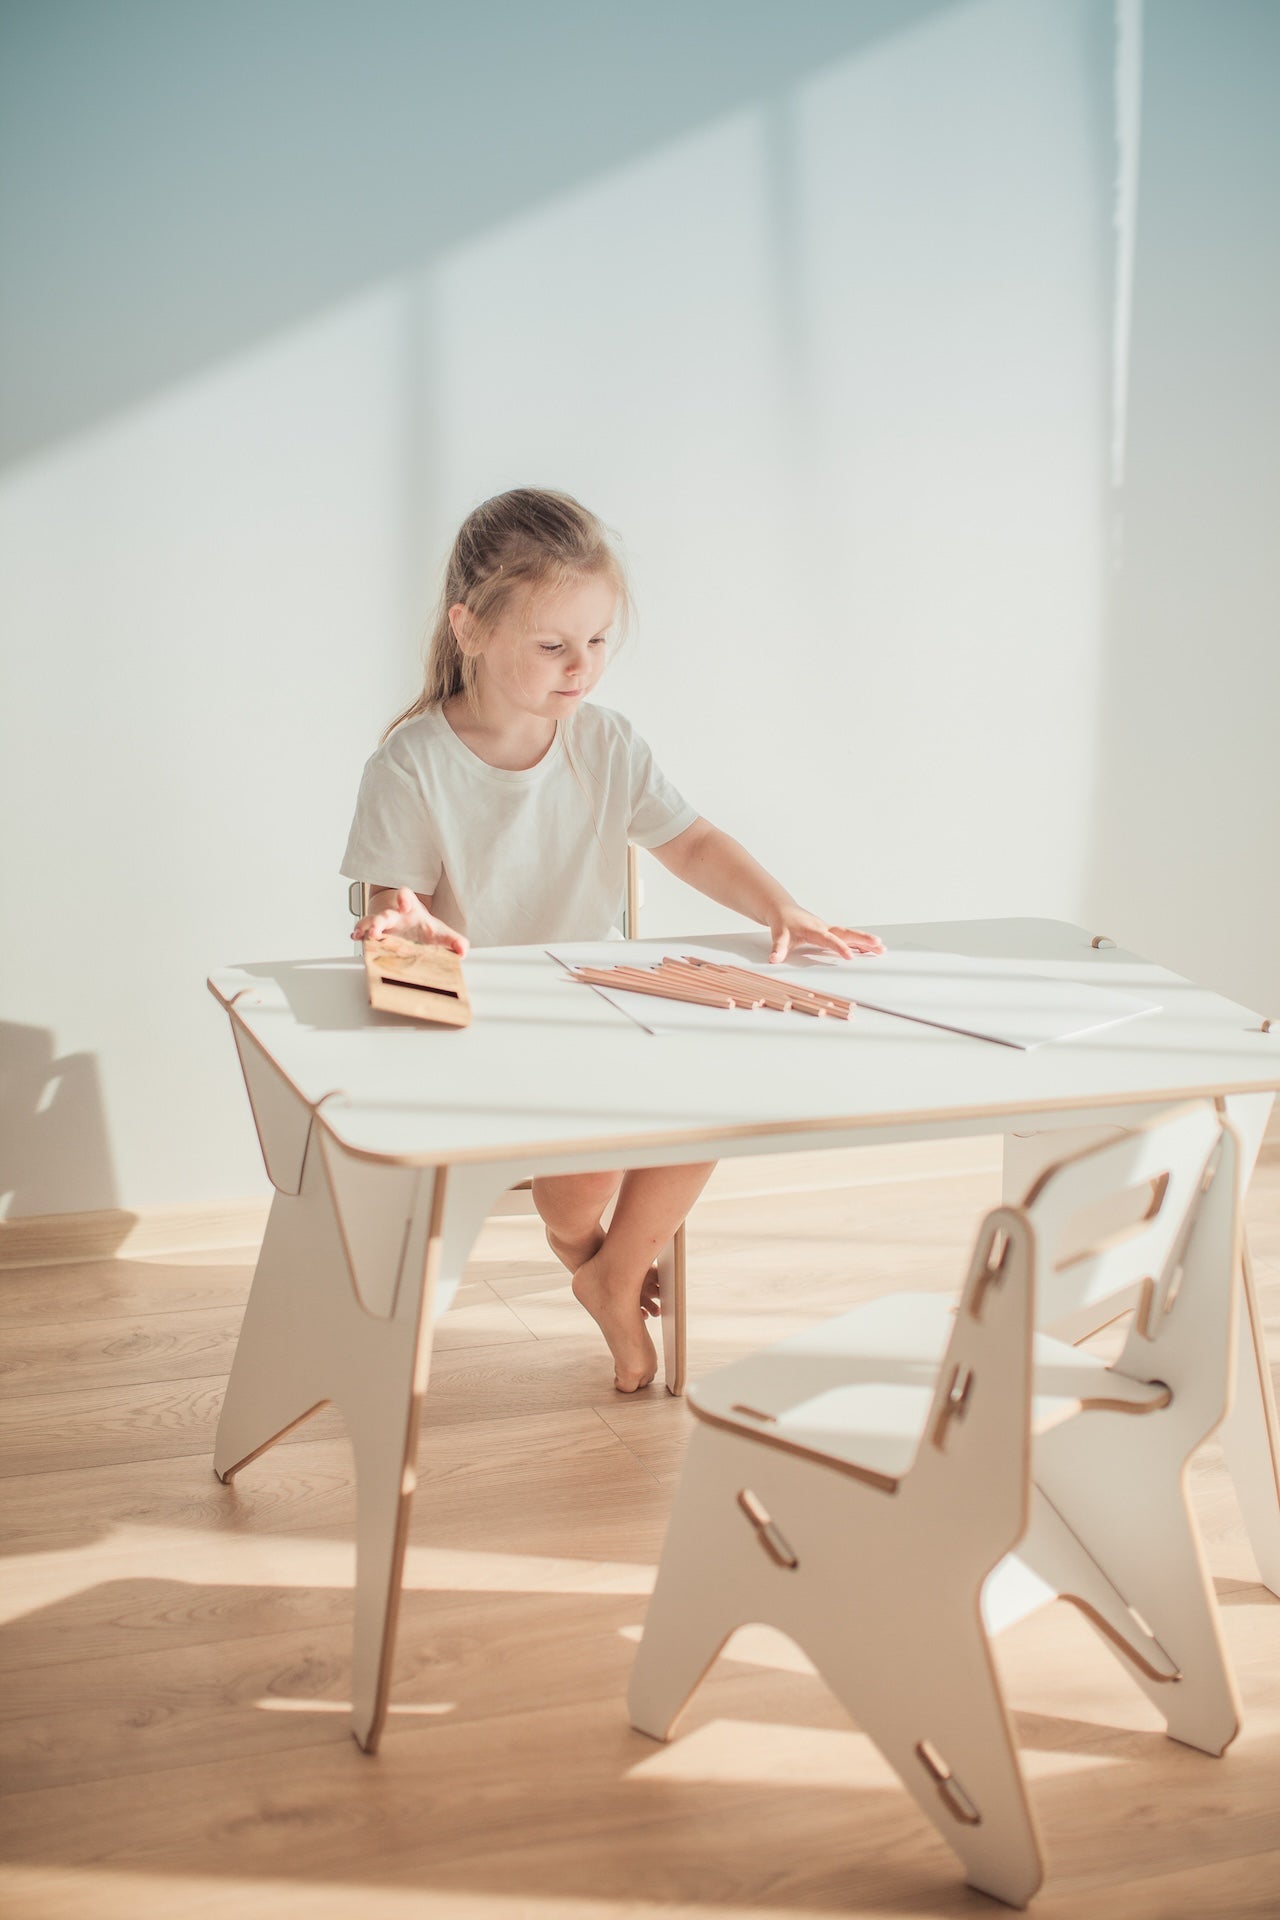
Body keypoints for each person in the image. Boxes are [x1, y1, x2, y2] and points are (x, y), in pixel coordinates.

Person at [342, 487, 884, 1392]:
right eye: (553, 645)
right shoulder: (412, 764)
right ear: (468, 629)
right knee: (581, 1183)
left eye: (598, 642)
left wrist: (778, 907)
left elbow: (691, 840)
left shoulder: (606, 743)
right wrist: (402, 917)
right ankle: (595, 1257)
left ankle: (614, 1274)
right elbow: (391, 909)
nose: (581, 667)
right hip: (487, 1024)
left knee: (717, 1097)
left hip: (599, 997)